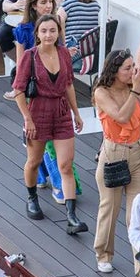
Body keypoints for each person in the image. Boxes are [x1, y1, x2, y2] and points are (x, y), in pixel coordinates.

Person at [13, 13, 86, 233]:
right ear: (37, 33)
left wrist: (76, 113)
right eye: (44, 31)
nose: (48, 35)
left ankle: (72, 216)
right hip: (38, 112)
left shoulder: (63, 53)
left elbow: (69, 85)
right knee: (34, 161)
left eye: (52, 31)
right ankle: (32, 197)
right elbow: (18, 90)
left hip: (61, 112)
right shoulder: (30, 56)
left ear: (58, 33)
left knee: (65, 164)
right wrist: (27, 118)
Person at [92, 49, 140, 273]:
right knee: (110, 207)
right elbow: (121, 117)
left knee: (139, 212)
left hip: (137, 152)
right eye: (127, 68)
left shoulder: (135, 90)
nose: (133, 72)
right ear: (115, 71)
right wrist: (137, 89)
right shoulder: (102, 92)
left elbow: (139, 122)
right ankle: (103, 253)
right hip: (113, 153)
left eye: (133, 67)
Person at [2, 0, 58, 101]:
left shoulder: (56, 22)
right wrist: (18, 87)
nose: (48, 6)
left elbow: (60, 46)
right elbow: (21, 61)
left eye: (50, 1)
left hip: (56, 77)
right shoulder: (23, 29)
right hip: (36, 79)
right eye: (43, 2)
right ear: (33, 5)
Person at [56, 0, 101, 69]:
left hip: (74, 55)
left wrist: (63, 47)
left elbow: (58, 24)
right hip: (91, 55)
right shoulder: (95, 4)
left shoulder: (67, 4)